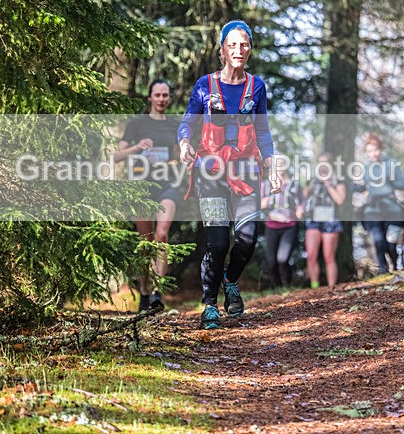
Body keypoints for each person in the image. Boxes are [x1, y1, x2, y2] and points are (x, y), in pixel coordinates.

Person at [178, 19, 280, 330]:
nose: (239, 50)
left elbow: (262, 133)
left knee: (247, 240)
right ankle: (209, 305)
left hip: (247, 170)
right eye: (232, 45)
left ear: (250, 49)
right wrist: (184, 144)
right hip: (210, 171)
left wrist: (273, 165)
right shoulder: (204, 85)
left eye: (244, 44)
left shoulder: (256, 87)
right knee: (219, 241)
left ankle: (229, 280)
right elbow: (187, 124)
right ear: (222, 50)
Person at [113, 79, 180, 311]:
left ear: (169, 98)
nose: (162, 99)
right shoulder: (138, 124)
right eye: (157, 95)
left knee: (162, 234)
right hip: (141, 187)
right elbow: (117, 156)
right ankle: (143, 291)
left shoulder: (174, 124)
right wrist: (137, 147)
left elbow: (178, 155)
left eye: (165, 95)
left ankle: (157, 293)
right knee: (145, 243)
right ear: (150, 98)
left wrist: (179, 162)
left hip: (167, 185)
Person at [355, 132, 404, 274]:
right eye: (370, 151)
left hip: (392, 208)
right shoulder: (366, 167)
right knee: (378, 240)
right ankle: (383, 271)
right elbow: (365, 187)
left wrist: (390, 179)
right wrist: (352, 187)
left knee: (390, 243)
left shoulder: (391, 163)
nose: (373, 154)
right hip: (372, 209)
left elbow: (401, 184)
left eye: (376, 150)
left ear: (381, 149)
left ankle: (395, 266)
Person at [304, 152, 346, 288]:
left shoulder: (338, 180)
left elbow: (340, 200)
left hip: (330, 220)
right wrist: (311, 184)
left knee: (329, 256)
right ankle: (314, 286)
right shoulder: (313, 179)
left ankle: (331, 288)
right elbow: (303, 196)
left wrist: (328, 184)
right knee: (311, 255)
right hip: (313, 219)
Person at [260, 168, 304, 288]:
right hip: (271, 225)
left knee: (283, 258)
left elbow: (302, 201)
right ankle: (278, 286)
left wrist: (301, 209)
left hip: (289, 225)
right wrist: (261, 204)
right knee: (271, 261)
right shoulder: (265, 185)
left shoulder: (295, 185)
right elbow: (255, 204)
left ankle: (288, 285)